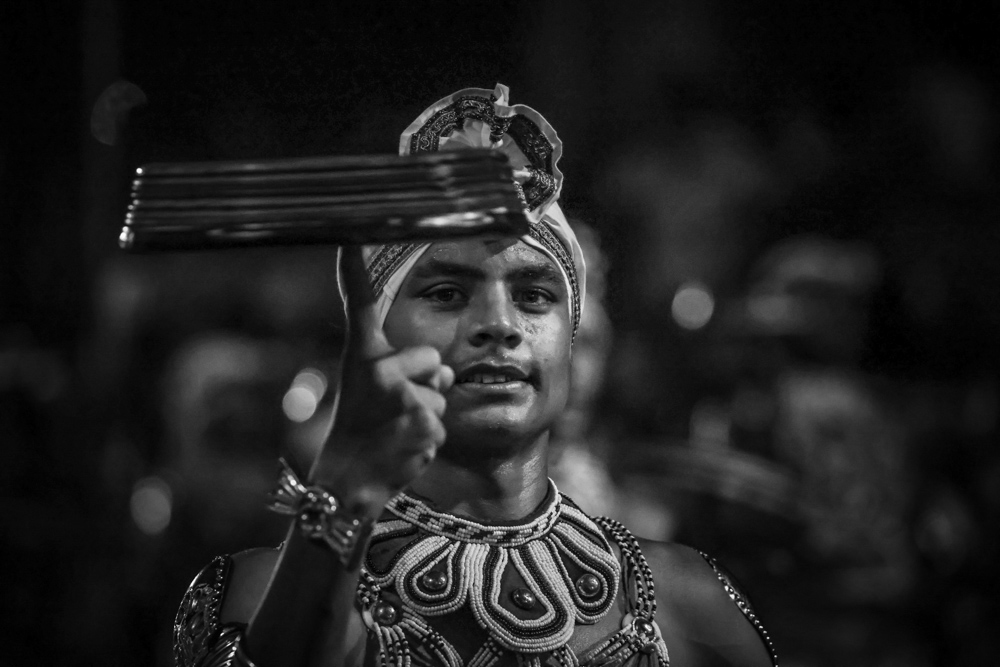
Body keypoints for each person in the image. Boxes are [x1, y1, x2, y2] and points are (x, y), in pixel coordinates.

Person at [172, 84, 778, 667]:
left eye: (535, 296)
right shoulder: (258, 596)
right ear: (378, 335)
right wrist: (343, 487)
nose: (499, 324)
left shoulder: (685, 601)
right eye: (446, 292)